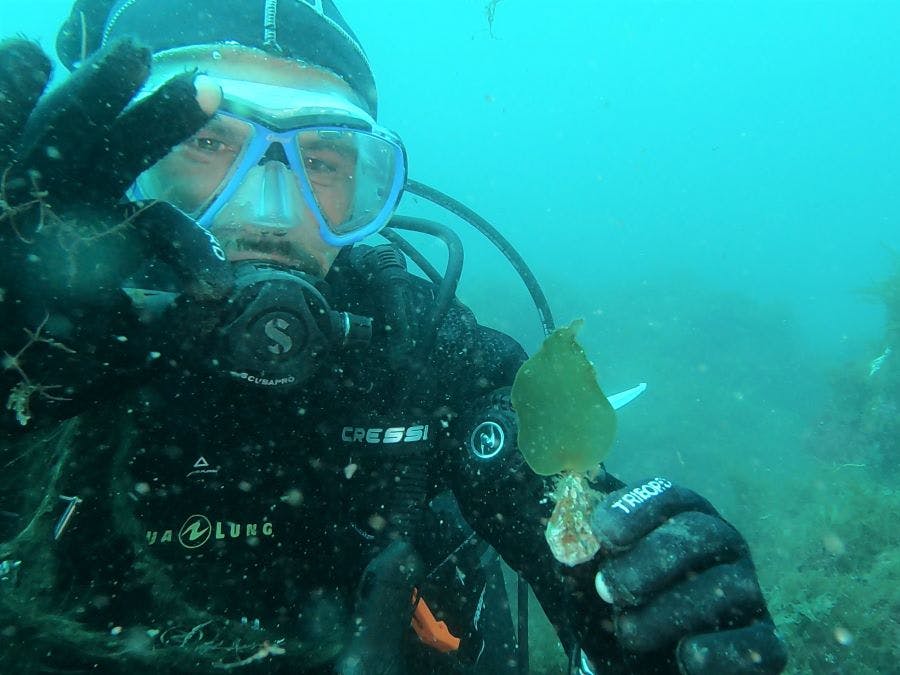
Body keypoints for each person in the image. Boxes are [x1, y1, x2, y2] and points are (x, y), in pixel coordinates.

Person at [0, 1, 788, 673]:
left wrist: (638, 599)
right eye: (209, 143)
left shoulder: (412, 342)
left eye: (323, 160)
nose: (272, 213)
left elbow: (548, 491)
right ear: (122, 157)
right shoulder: (30, 330)